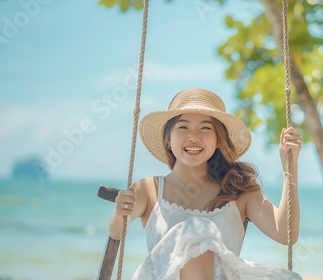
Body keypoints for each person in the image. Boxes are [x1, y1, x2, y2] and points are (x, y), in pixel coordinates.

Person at [109, 88, 302, 279]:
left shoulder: (239, 190)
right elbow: (116, 233)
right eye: (183, 127)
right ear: (168, 139)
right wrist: (119, 213)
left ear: (219, 139)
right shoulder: (149, 190)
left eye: (206, 128)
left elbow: (286, 234)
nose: (194, 136)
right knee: (195, 231)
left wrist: (290, 166)